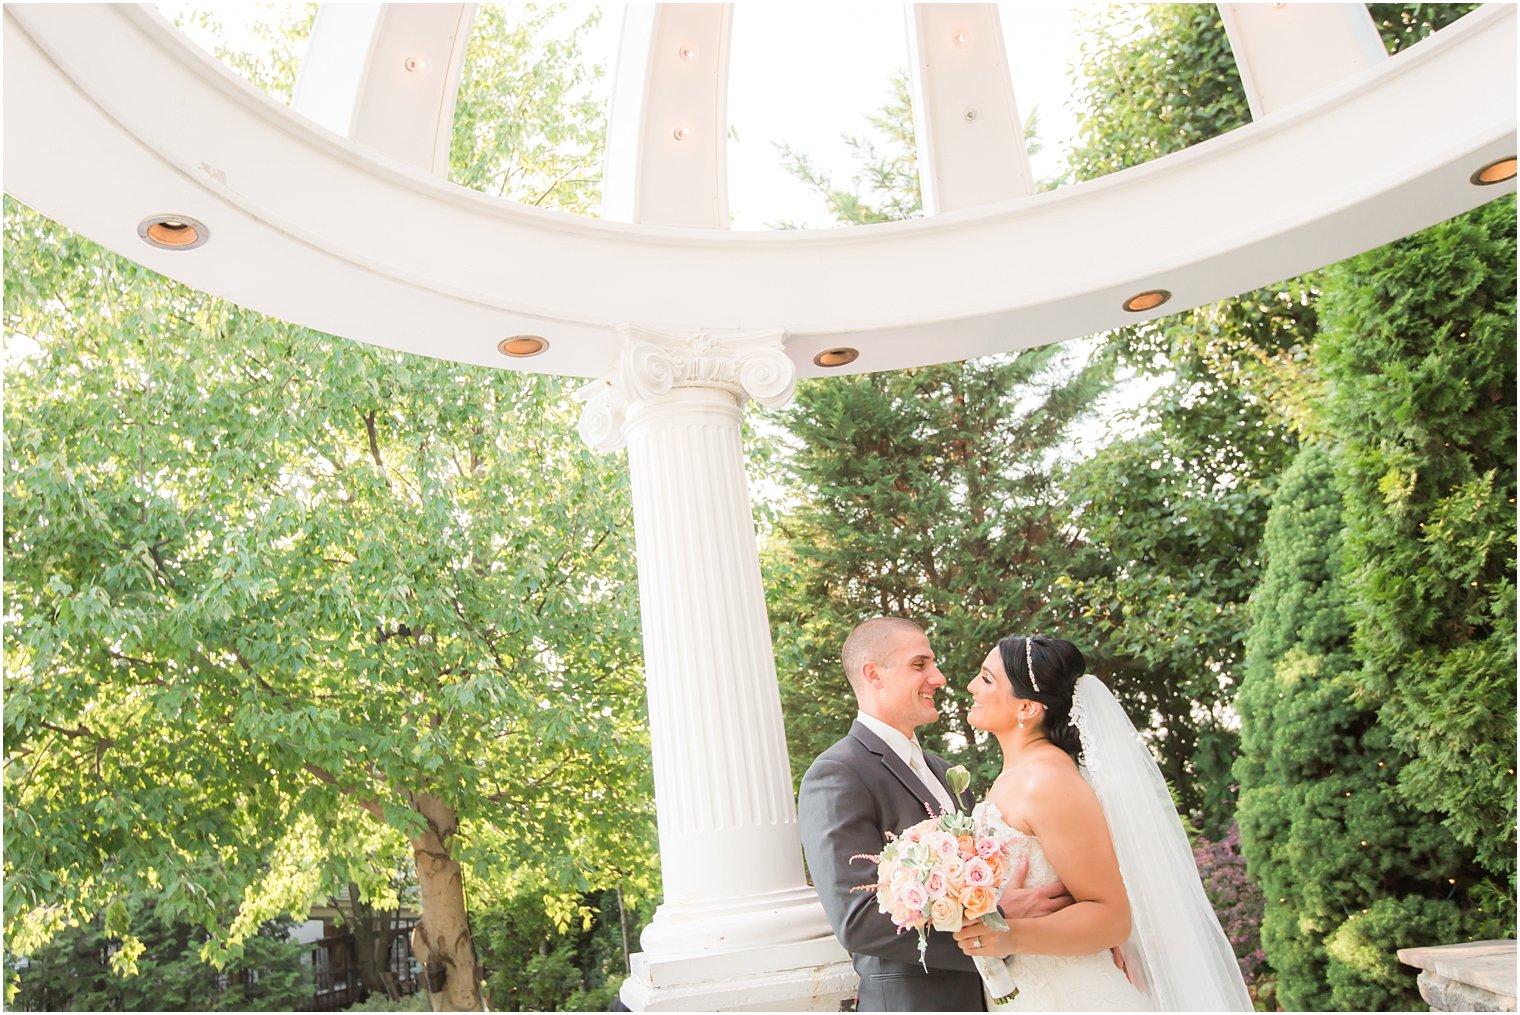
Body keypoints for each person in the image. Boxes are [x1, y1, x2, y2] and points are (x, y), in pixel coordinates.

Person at [952, 634, 1253, 1012]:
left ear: (1027, 707)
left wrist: (1009, 935)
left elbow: (1111, 918)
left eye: (986, 678)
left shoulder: (1047, 781)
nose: (971, 686)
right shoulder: (1015, 776)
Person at [797, 618, 1070, 1012]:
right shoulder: (838, 774)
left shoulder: (944, 771)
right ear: (874, 675)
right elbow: (858, 919)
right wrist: (998, 918)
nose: (938, 677)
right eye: (919, 664)